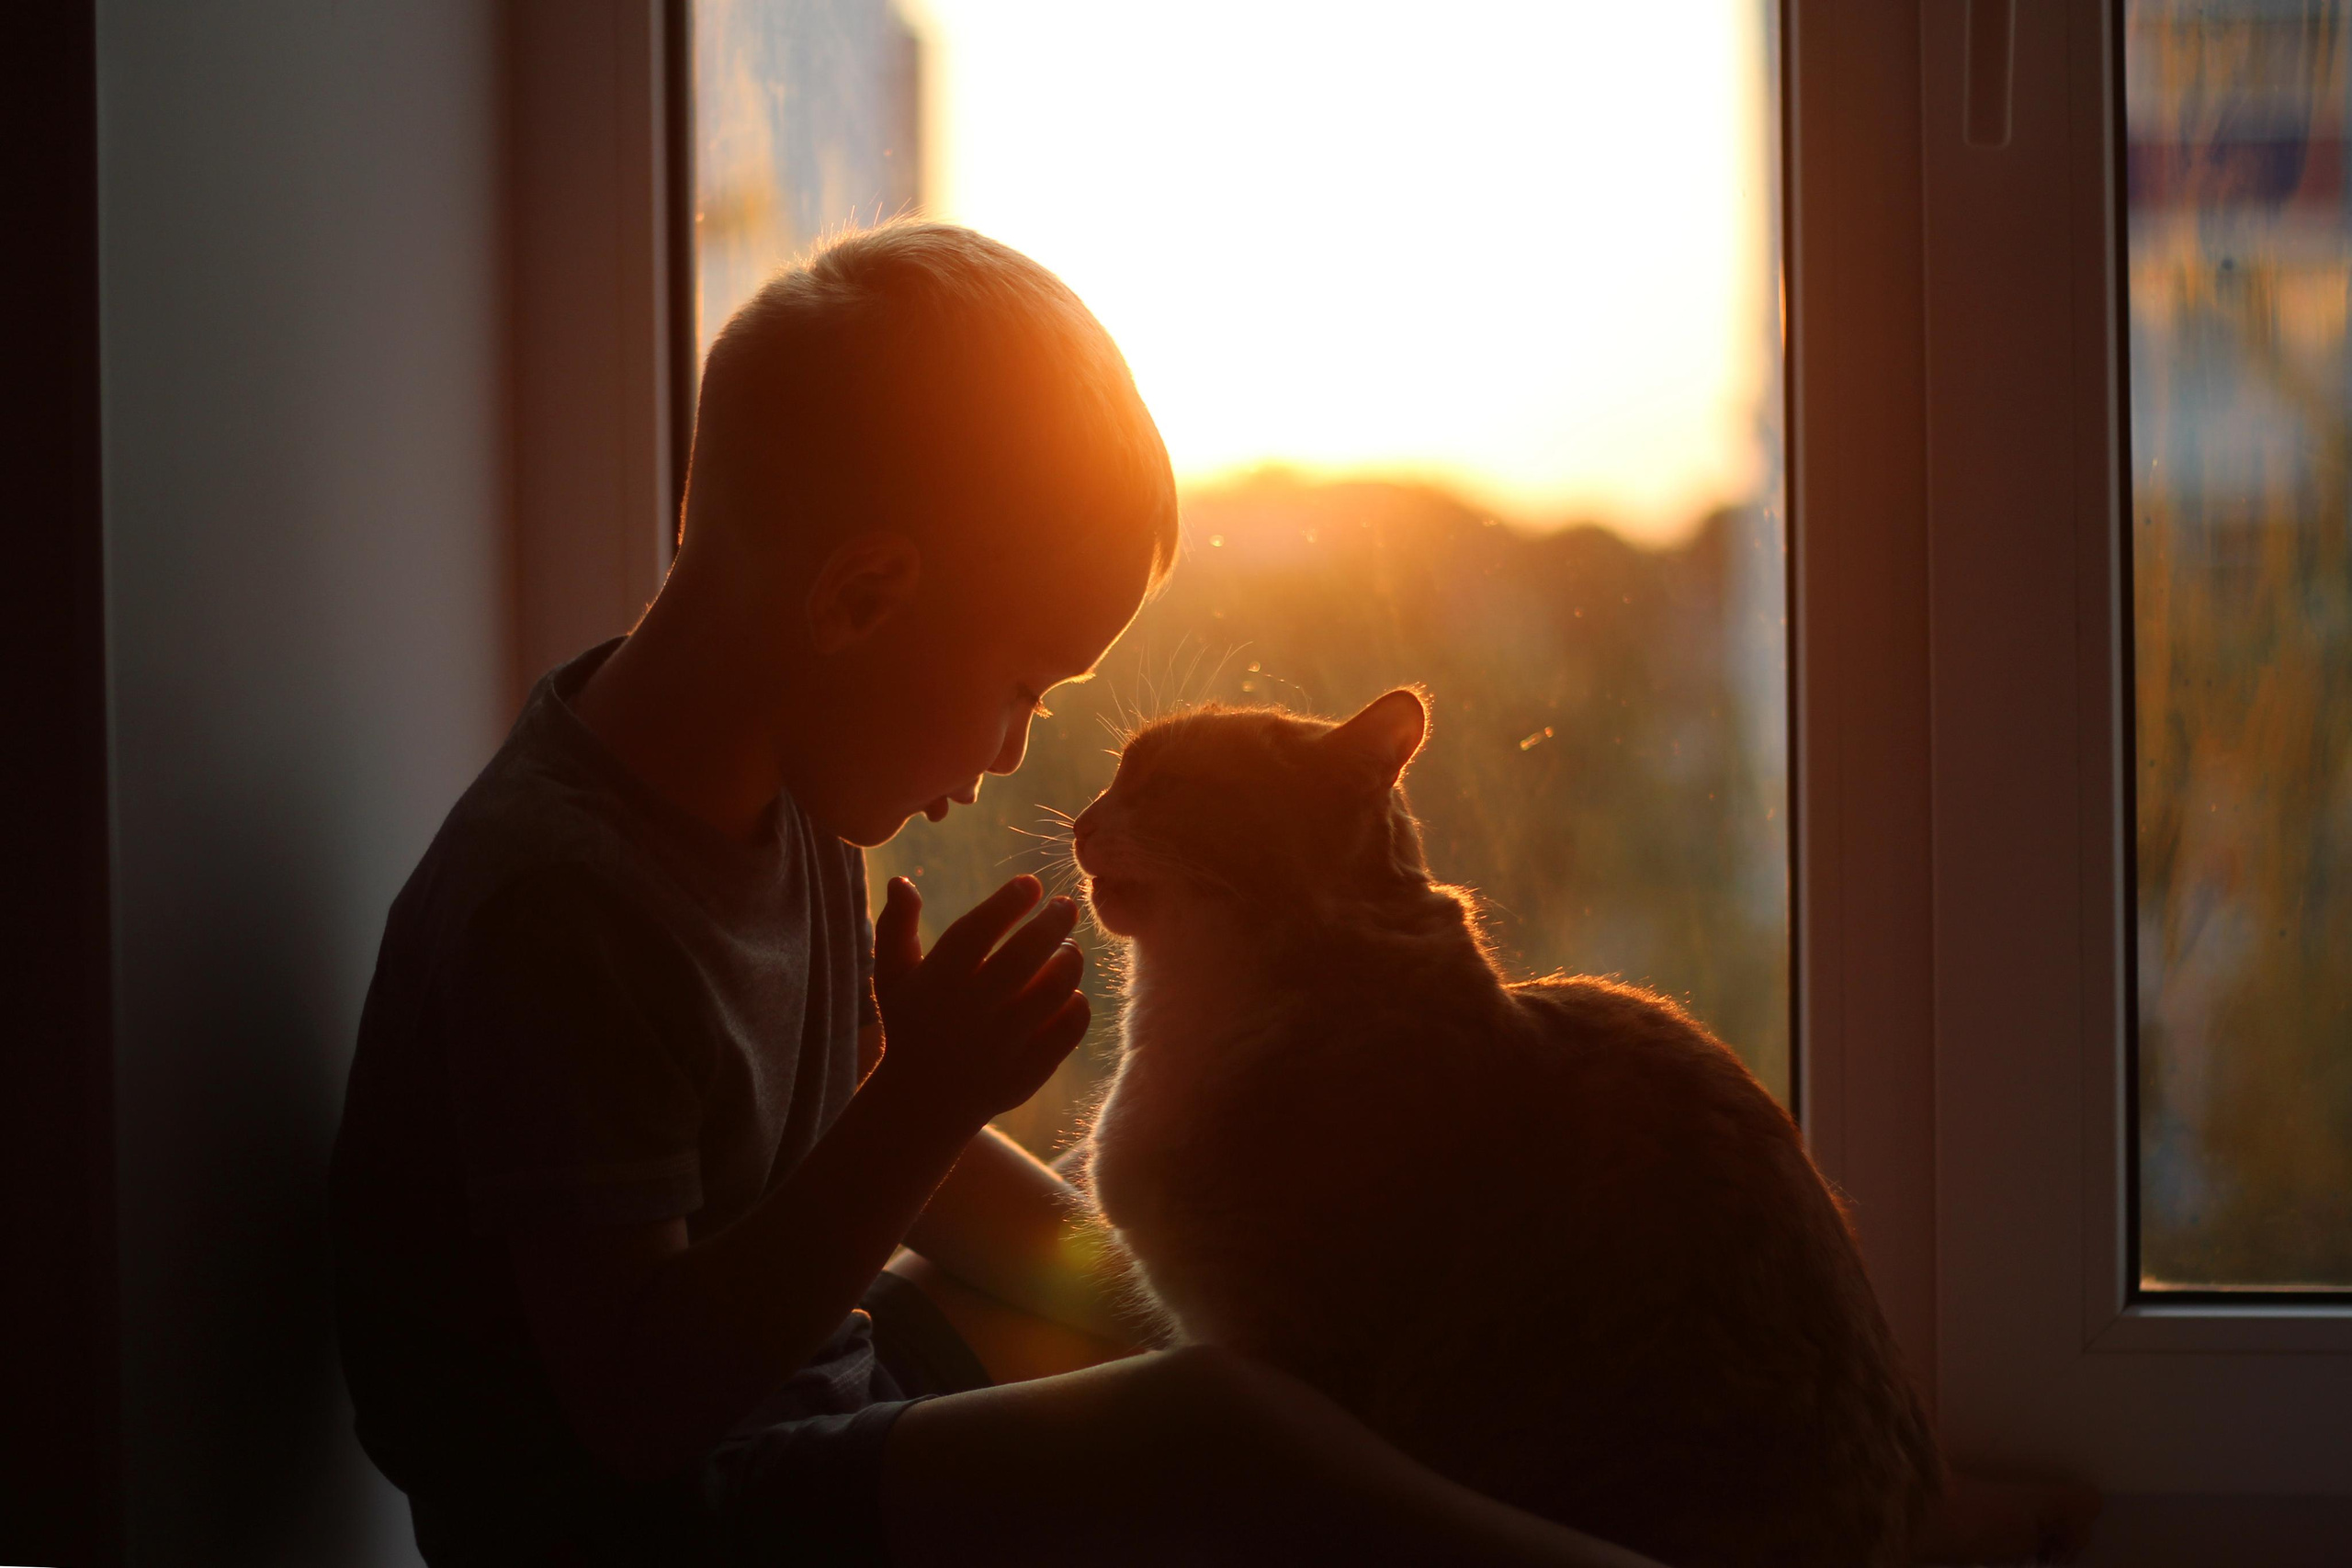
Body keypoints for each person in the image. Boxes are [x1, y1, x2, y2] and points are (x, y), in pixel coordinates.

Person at [328, 220, 1668, 1568]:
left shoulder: (771, 796)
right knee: (1221, 1440)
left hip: (793, 1402)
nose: (1017, 751)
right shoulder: (563, 910)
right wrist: (918, 1105)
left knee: (1172, 1352)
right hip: (646, 1522)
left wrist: (1163, 1308)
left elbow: (865, 1165)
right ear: (863, 598)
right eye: (1023, 687)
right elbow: (634, 1409)